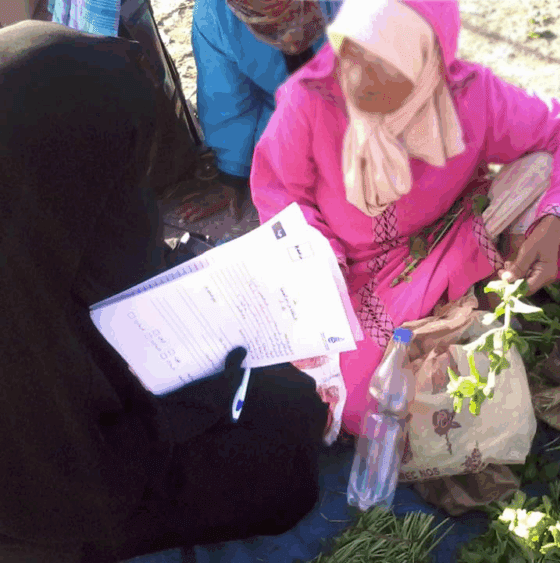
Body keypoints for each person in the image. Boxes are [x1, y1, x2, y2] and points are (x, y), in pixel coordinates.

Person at [0, 21, 327, 562]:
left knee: (275, 392)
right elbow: (81, 483)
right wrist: (205, 399)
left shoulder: (30, 203)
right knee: (283, 442)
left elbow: (115, 273)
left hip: (78, 434)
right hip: (55, 509)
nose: (133, 196)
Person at [250, 0, 560, 436]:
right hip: (349, 272)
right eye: (355, 53)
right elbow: (281, 191)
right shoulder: (311, 99)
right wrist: (319, 259)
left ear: (428, 63)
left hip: (454, 235)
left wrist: (555, 223)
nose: (360, 78)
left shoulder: (470, 97)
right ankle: (453, 323)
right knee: (354, 403)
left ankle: (486, 302)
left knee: (545, 170)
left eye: (387, 64)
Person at [188, 0, 341, 222]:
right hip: (283, 124)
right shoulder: (215, 14)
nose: (289, 37)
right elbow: (225, 97)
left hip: (367, 106)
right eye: (271, 25)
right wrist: (232, 172)